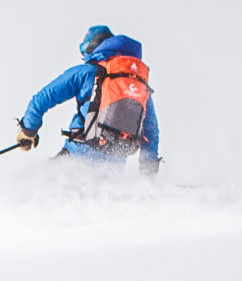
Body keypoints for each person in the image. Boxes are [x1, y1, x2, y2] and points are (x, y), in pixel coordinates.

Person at [16, 24, 160, 173]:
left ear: (91, 47)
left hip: (78, 155)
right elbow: (151, 131)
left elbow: (42, 99)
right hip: (113, 169)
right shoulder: (137, 84)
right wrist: (148, 175)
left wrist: (28, 131)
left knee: (41, 183)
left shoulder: (86, 72)